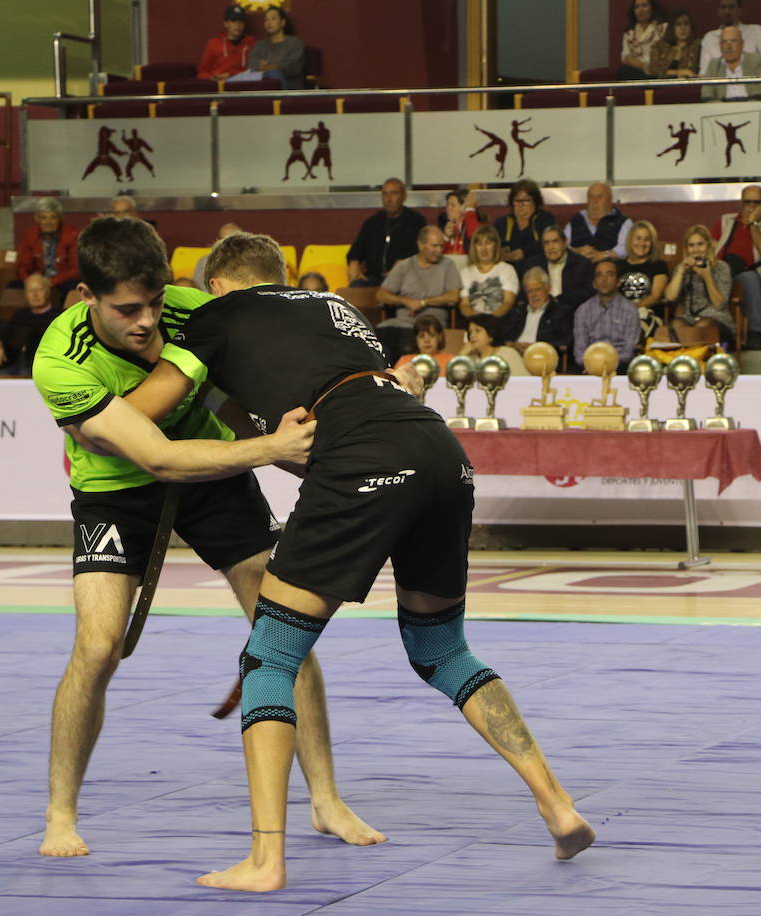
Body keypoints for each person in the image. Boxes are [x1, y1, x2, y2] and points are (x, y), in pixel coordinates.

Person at [119, 231, 593, 890]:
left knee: (270, 655)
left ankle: (265, 859)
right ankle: (559, 806)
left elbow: (140, 414)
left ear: (219, 286)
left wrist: (90, 414)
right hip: (439, 453)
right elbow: (261, 405)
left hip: (364, 461)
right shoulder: (335, 310)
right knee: (442, 650)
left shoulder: (216, 316)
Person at [30, 218, 382, 860]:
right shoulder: (59, 360)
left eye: (156, 302)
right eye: (128, 309)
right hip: (117, 488)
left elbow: (257, 380)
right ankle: (60, 813)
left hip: (215, 472)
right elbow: (157, 458)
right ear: (87, 297)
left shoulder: (196, 311)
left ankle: (326, 798)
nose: (147, 321)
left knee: (283, 627)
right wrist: (271, 448)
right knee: (99, 644)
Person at [376, 225, 461, 356]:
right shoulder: (404, 265)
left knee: (409, 342)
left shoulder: (448, 265)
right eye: (434, 246)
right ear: (421, 245)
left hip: (432, 324)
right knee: (381, 334)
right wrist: (405, 301)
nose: (439, 250)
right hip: (403, 323)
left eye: (441, 246)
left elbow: (453, 296)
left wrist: (423, 302)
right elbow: (381, 295)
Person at [712, 185, 761, 349]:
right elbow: (711, 248)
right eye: (747, 202)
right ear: (740, 203)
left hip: (750, 271)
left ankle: (755, 333)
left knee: (749, 279)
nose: (751, 206)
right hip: (721, 270)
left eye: (756, 202)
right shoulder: (725, 220)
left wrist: (753, 223)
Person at [347, 177, 427, 287]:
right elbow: (356, 249)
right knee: (355, 288)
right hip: (373, 278)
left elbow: (419, 251)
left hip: (403, 278)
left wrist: (402, 263)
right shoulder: (372, 222)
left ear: (404, 196)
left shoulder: (416, 220)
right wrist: (353, 262)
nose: (388, 199)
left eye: (394, 193)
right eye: (385, 194)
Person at [665, 224, 735, 344]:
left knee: (703, 325)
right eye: (691, 245)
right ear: (686, 249)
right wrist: (681, 271)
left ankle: (697, 359)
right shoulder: (682, 268)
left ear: (708, 246)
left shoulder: (722, 267)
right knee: (676, 324)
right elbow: (669, 297)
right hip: (689, 319)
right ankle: (687, 360)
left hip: (717, 320)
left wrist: (707, 277)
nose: (696, 250)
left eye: (700, 244)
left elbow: (719, 304)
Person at [574, 260, 641, 372]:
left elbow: (629, 351)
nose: (604, 279)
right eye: (599, 275)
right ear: (594, 283)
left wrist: (607, 364)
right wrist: (593, 364)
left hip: (620, 370)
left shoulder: (630, 310)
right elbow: (580, 352)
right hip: (589, 369)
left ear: (618, 281)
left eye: (610, 274)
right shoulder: (583, 311)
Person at [616, 220, 669, 341]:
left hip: (648, 314)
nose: (642, 243)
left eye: (647, 239)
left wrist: (632, 308)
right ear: (630, 241)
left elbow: (656, 296)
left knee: (632, 330)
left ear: (652, 243)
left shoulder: (658, 265)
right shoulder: (618, 266)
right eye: (638, 238)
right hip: (619, 315)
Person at [505, 267, 575, 357]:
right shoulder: (518, 311)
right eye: (530, 291)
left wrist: (535, 347)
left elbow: (565, 343)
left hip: (542, 357)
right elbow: (504, 338)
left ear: (549, 288)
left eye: (538, 289)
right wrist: (513, 345)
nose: (534, 295)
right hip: (515, 355)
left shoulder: (562, 312)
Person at [17, 197, 81, 296]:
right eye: (44, 217)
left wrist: (52, 281)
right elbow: (23, 267)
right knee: (13, 286)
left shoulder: (72, 234)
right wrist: (31, 281)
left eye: (53, 217)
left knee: (72, 286)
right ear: (37, 219)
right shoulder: (30, 234)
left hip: (63, 280)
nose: (48, 222)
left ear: (59, 218)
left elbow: (76, 269)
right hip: (38, 280)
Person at [0, 273, 61, 375]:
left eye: (39, 290)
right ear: (25, 295)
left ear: (47, 292)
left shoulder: (59, 316)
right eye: (31, 291)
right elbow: (6, 339)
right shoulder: (18, 316)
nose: (35, 294)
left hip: (45, 366)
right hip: (15, 364)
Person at [700, 0, 761, 73]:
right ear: (718, 11)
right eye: (723, 7)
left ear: (739, 10)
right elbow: (704, 72)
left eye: (731, 7)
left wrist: (759, 71)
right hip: (720, 88)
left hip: (751, 86)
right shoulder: (709, 38)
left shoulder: (756, 32)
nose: (727, 11)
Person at [524, 225, 595, 309]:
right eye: (546, 243)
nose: (551, 247)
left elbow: (588, 293)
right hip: (541, 311)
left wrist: (560, 300)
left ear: (565, 243)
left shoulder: (582, 264)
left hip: (571, 311)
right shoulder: (532, 264)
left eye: (555, 241)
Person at [458, 225, 519, 319]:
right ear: (474, 247)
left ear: (496, 246)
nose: (484, 248)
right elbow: (464, 305)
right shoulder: (465, 273)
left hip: (500, 322)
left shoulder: (507, 270)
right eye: (479, 244)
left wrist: (490, 321)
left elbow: (508, 302)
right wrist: (478, 320)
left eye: (488, 243)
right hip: (474, 323)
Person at [564, 182, 631, 264]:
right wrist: (577, 251)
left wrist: (604, 255)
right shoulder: (575, 221)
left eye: (599, 197)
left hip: (610, 269)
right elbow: (562, 247)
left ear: (610, 199)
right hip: (578, 270)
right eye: (591, 197)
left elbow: (626, 248)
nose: (595, 201)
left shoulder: (623, 222)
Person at [701, 25, 761, 101]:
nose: (728, 46)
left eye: (733, 41)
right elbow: (706, 94)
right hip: (722, 108)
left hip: (752, 108)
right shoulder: (713, 64)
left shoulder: (758, 60)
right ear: (720, 46)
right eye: (724, 42)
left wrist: (747, 109)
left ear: (742, 44)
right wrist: (720, 109)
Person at [495, 180, 553, 266]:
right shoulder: (502, 223)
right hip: (509, 269)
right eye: (517, 200)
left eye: (526, 200)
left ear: (535, 202)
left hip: (539, 267)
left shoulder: (546, 219)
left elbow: (548, 243)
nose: (521, 205)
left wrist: (524, 252)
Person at [247, 5, 305, 89]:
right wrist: (259, 65)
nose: (269, 23)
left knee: (274, 73)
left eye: (273, 19)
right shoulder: (260, 45)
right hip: (264, 85)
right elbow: (251, 64)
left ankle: (282, 100)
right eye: (266, 20)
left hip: (290, 86)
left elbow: (295, 67)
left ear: (282, 22)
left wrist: (274, 67)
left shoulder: (295, 42)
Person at [457, 312, 527, 377]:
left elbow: (524, 383)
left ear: (491, 335)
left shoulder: (509, 354)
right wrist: (462, 355)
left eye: (477, 330)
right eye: (470, 332)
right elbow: (454, 382)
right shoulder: (470, 359)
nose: (472, 335)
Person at [198, 5, 255, 81]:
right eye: (233, 20)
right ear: (226, 23)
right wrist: (212, 78)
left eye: (241, 21)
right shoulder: (213, 43)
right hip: (219, 86)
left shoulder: (251, 43)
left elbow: (256, 71)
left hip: (242, 86)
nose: (238, 24)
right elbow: (202, 73)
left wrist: (231, 76)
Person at [619, 0, 668, 79]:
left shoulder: (662, 28)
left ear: (652, 8)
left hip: (658, 69)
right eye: (637, 7)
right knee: (623, 70)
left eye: (644, 6)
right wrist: (642, 65)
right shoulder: (629, 33)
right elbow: (625, 57)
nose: (640, 10)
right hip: (638, 70)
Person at [649, 8, 700, 77]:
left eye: (686, 24)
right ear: (672, 27)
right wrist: (678, 72)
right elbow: (653, 70)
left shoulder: (697, 46)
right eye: (678, 24)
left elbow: (693, 71)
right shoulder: (660, 46)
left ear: (691, 26)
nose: (683, 28)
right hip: (661, 85)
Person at [193, 222, 243, 290]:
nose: (228, 244)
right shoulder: (205, 262)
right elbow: (198, 289)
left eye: (232, 239)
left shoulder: (253, 261)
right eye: (223, 239)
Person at [439, 188, 481, 256]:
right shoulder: (445, 225)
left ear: (464, 207)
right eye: (447, 205)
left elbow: (475, 238)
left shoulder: (476, 223)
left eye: (453, 205)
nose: (448, 208)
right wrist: (446, 238)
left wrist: (470, 210)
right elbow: (437, 255)